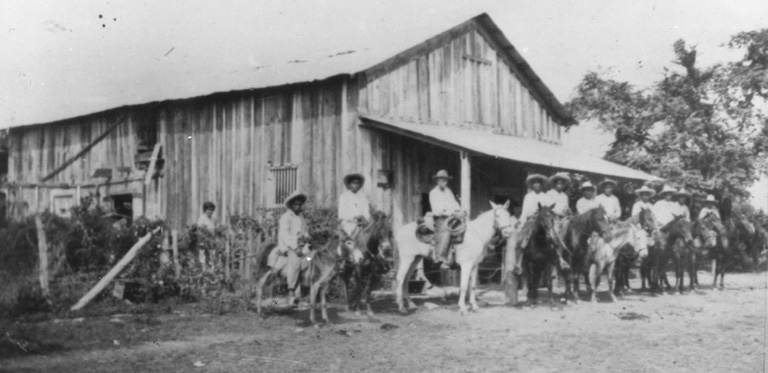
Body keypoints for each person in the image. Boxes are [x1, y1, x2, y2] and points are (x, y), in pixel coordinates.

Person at [268, 192, 310, 305]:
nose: (298, 207)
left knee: (310, 258)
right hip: (289, 246)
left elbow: (305, 230)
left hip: (302, 245)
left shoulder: (301, 216)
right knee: (295, 262)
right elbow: (285, 235)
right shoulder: (286, 217)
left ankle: (304, 288)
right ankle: (291, 290)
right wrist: (295, 248)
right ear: (291, 205)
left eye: (300, 204)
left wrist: (307, 237)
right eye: (295, 204)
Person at [429, 170, 463, 264]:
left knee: (463, 225)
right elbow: (437, 210)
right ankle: (441, 256)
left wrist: (459, 211)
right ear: (438, 180)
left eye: (446, 180)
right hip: (441, 219)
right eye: (443, 180)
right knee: (447, 231)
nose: (445, 182)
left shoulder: (448, 192)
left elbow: (455, 204)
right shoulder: (433, 193)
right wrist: (452, 213)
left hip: (451, 217)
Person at [338, 173, 372, 237]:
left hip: (362, 223)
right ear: (349, 184)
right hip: (348, 223)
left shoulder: (363, 197)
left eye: (357, 183)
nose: (356, 185)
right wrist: (354, 217)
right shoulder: (344, 197)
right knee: (350, 239)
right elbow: (342, 213)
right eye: (353, 183)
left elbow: (366, 211)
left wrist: (364, 217)